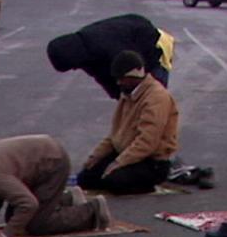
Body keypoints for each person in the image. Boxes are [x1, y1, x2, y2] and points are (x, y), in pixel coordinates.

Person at [0, 134, 112, 237]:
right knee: (14, 216)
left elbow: (28, 203)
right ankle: (67, 198)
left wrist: (7, 234)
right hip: (39, 162)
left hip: (52, 163)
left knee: (37, 225)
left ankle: (93, 210)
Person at [77, 51, 179, 195]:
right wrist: (95, 158)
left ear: (134, 76)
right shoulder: (127, 94)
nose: (119, 83)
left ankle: (148, 185)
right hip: (126, 153)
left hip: (151, 161)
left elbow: (147, 143)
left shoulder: (156, 98)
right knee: (85, 179)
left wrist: (118, 163)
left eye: (122, 79)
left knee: (115, 181)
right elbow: (113, 136)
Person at [46, 13, 175, 99]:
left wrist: (132, 99)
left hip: (153, 46)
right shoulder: (84, 54)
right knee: (133, 106)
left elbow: (136, 70)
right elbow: (104, 78)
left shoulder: (106, 47)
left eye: (71, 66)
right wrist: (120, 98)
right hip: (131, 44)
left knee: (153, 100)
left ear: (72, 56)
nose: (74, 69)